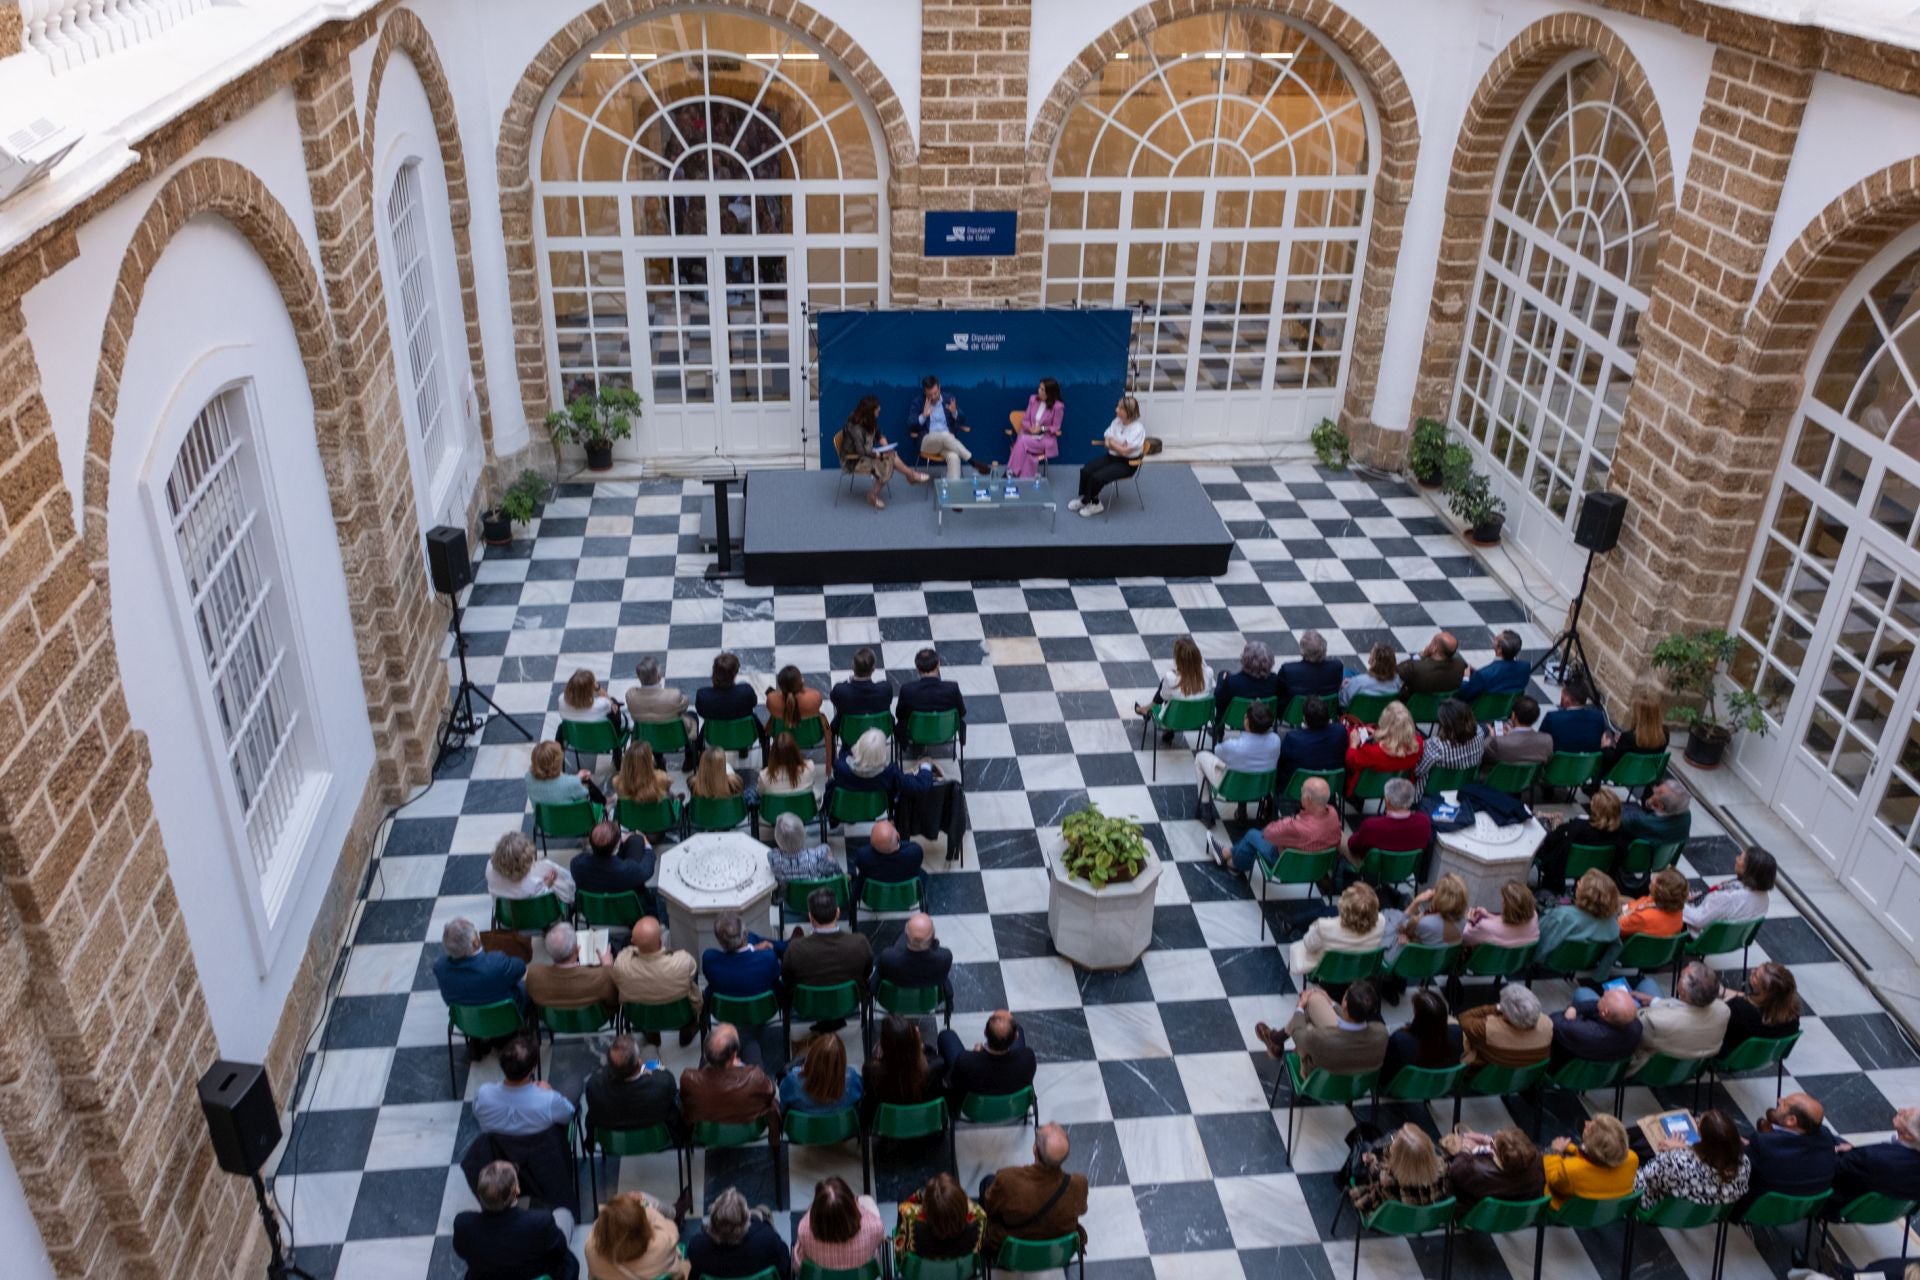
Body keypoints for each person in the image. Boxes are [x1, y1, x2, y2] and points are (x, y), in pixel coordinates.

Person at [454, 1160, 579, 1280]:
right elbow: (560, 1249)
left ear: (481, 1195)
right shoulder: (541, 1221)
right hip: (536, 1275)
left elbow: (461, 1251)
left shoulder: (463, 1224)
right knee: (564, 1214)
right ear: (517, 1190)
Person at [981, 1125, 1088, 1251]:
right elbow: (1082, 1209)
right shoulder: (1079, 1184)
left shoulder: (1007, 1179)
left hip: (1011, 1247)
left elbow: (990, 1206)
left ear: (1034, 1150)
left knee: (987, 1181)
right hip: (1057, 1249)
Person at [1210, 774, 1342, 876]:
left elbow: (1268, 833)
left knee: (1252, 835)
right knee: (1258, 835)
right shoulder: (1333, 814)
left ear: (1308, 799)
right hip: (1316, 869)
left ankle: (1234, 863)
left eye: (1302, 791)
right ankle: (1228, 853)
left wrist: (1289, 820)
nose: (1300, 794)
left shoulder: (1295, 826)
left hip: (1286, 865)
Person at [1254, 980, 1388, 1076]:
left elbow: (1298, 1034)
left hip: (1320, 1079)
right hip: (1357, 1083)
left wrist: (1300, 1006)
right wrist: (1332, 1002)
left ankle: (1276, 1040)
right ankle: (1277, 1039)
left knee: (1309, 1024)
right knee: (1315, 1000)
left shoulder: (1319, 1038)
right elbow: (1355, 1021)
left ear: (1345, 1004)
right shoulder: (1382, 1033)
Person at [1617, 960, 1729, 1070]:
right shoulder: (1723, 1010)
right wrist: (1653, 1001)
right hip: (1691, 1066)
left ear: (1683, 991)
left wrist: (1628, 1009)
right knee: (1648, 984)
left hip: (1652, 1067)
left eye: (1680, 976)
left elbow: (1632, 1032)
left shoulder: (1652, 1021)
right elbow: (1680, 1011)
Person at [1634, 1108, 1750, 1207]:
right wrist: (1685, 1148)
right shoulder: (1744, 1164)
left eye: (1698, 1128)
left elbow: (1645, 1178)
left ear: (1704, 1142)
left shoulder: (1674, 1164)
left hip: (1656, 1206)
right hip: (1703, 1214)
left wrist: (1670, 1154)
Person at [784, 887, 875, 1012]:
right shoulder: (859, 942)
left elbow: (787, 978)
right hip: (849, 1001)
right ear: (837, 913)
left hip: (808, 1005)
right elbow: (867, 972)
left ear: (810, 917)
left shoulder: (794, 948)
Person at [681, 1025, 779, 1138]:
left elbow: (686, 1105)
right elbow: (770, 1093)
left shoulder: (689, 1079)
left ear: (707, 1055)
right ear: (734, 1056)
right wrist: (741, 1067)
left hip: (709, 1133)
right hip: (751, 1129)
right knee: (750, 1042)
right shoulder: (755, 1077)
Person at [612, 918, 701, 1042]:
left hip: (640, 1018)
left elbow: (625, 952)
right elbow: (693, 968)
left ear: (633, 943)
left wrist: (637, 946)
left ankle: (650, 1032)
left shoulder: (622, 965)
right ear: (660, 942)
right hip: (682, 1016)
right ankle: (688, 1028)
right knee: (690, 979)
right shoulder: (683, 962)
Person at [475, 1033, 576, 1138]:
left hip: (497, 1152)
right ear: (532, 1069)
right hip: (539, 1151)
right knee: (574, 1083)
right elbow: (568, 1115)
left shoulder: (483, 1094)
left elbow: (477, 1114)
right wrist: (550, 1093)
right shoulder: (549, 1100)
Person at [839, 393, 929, 509]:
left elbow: (879, 435)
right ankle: (908, 477)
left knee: (892, 454)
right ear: (870, 411)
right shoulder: (855, 427)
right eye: (877, 408)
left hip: (865, 453)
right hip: (853, 460)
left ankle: (910, 476)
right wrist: (879, 454)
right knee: (888, 462)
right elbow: (861, 452)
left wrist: (886, 446)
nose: (880, 409)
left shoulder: (869, 420)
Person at [1533, 788, 1627, 897]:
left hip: (1563, 869)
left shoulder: (1577, 828)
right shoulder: (1621, 834)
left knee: (1551, 823)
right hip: (1601, 873)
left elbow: (1550, 842)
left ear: (1595, 809)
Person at [1341, 778, 1433, 889]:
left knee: (1339, 835)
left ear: (1387, 800)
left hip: (1374, 871)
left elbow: (1352, 846)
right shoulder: (1424, 822)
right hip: (1406, 869)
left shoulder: (1372, 826)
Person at [1745, 1093, 1837, 1202]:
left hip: (1760, 1206)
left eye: (1784, 1103)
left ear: (1791, 1120)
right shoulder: (1826, 1136)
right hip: (1804, 1207)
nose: (1779, 1100)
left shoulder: (1764, 1143)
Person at [585, 1034, 681, 1137]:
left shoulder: (594, 1087)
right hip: (657, 1137)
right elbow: (673, 1098)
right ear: (640, 1063)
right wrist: (651, 1071)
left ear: (610, 1067)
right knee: (650, 1051)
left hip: (614, 1141)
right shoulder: (663, 1082)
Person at [1286, 880, 1386, 979]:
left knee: (1302, 940)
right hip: (1358, 970)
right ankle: (1293, 922)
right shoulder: (1381, 921)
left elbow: (1308, 945)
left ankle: (1292, 923)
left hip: (1324, 971)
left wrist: (1314, 927)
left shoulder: (1324, 926)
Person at [434, 916, 528, 1019]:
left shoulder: (440, 968)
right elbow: (521, 967)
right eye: (476, 932)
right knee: (528, 983)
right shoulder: (497, 963)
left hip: (468, 1022)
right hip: (506, 1019)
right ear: (475, 943)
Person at [687, 1188, 790, 1280]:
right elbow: (784, 1261)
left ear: (712, 1221)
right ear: (746, 1220)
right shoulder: (768, 1240)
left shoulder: (696, 1247)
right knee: (762, 1211)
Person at [1069, 393, 1145, 517]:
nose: (1116, 410)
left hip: (1127, 464)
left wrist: (1112, 444)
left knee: (1097, 477)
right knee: (1086, 470)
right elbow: (1107, 436)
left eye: (1120, 408)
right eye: (1117, 407)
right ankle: (1089, 499)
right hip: (1112, 457)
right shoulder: (1117, 421)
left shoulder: (1138, 429)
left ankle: (1093, 504)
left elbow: (1125, 452)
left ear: (1129, 411)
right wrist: (1117, 445)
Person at [1348, 1123, 1451, 1215]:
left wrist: (1371, 1159)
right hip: (1426, 1217)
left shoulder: (1386, 1179)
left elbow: (1373, 1170)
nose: (1393, 1140)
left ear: (1400, 1157)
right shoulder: (1444, 1168)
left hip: (1391, 1217)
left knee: (1364, 1148)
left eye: (1395, 1140)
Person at [939, 1009, 1036, 1102]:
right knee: (1018, 1027)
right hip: (1014, 1105)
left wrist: (976, 1055)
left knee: (946, 1035)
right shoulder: (1028, 1057)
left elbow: (949, 1083)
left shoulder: (965, 1060)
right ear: (1016, 1037)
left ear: (985, 1032)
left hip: (973, 1109)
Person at [1536, 869, 1621, 974]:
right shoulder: (1613, 926)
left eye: (1581, 882)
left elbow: (1539, 945)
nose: (1577, 884)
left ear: (1587, 894)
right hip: (1586, 966)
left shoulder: (1562, 917)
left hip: (1549, 964)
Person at [1193, 699, 1281, 802]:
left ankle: (1205, 805)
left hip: (1232, 788)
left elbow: (1217, 752)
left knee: (1200, 756)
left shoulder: (1233, 746)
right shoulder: (1276, 740)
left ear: (1247, 722)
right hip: (1261, 787)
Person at [792, 1176, 886, 1270]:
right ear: (852, 1205)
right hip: (862, 1274)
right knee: (866, 1199)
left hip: (821, 1276)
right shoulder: (875, 1226)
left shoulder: (803, 1229)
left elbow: (797, 1266)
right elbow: (879, 1241)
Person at [1543, 1115, 1638, 1208]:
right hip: (1605, 1211)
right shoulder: (1632, 1159)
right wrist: (1572, 1149)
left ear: (1594, 1149)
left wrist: (1556, 1152)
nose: (1586, 1123)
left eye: (1590, 1129)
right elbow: (1598, 1159)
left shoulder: (1571, 1170)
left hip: (1569, 1212)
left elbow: (1552, 1180)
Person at [588, 1191, 686, 1280]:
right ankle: (676, 1211)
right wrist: (644, 1207)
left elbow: (597, 1227)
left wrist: (615, 1213)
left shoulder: (591, 1251)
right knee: (643, 1196)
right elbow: (669, 1226)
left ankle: (676, 1211)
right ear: (643, 1227)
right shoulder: (662, 1244)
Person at [831, 728, 937, 810]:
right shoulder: (890, 772)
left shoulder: (840, 767)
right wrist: (925, 766)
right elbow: (919, 786)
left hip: (847, 807)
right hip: (878, 809)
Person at [907, 375, 989, 480]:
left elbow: (962, 418)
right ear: (924, 392)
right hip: (928, 442)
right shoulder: (918, 402)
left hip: (947, 442)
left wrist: (954, 412)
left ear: (939, 388)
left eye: (936, 393)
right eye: (930, 395)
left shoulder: (948, 398)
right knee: (945, 435)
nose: (933, 397)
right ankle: (972, 461)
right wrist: (923, 416)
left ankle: (953, 491)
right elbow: (910, 424)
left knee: (954, 457)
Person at [526, 921, 617, 1015]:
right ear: (577, 950)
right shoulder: (603, 977)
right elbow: (614, 1001)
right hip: (594, 1021)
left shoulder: (534, 976)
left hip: (554, 1022)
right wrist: (608, 968)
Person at [1833, 1108, 1920, 1207]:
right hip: (1885, 1206)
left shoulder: (1872, 1156)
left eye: (1904, 1116)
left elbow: (1834, 1169)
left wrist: (1847, 1153)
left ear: (1909, 1136)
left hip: (1843, 1199)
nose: (1900, 1110)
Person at [1382, 872, 1468, 968]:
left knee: (1386, 915)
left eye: (1436, 890)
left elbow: (1399, 927)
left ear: (1441, 898)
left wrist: (1416, 902)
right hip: (1434, 965)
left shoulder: (1424, 923)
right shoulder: (1463, 921)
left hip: (1405, 961)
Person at [895, 1171, 985, 1260]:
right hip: (962, 1272)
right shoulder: (978, 1221)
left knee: (904, 1192)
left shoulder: (911, 1224)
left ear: (925, 1211)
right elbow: (972, 1206)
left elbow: (899, 1254)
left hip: (921, 1273)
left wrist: (921, 1195)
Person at [1382, 988, 1463, 1087]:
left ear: (1418, 1017)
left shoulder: (1400, 1040)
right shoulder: (1457, 1032)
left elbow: (1386, 1073)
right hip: (1440, 1085)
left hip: (1405, 1087)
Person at [1447, 1127, 1547, 1208]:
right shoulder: (1537, 1168)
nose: (1498, 1131)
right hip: (1514, 1218)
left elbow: (1456, 1169)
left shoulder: (1474, 1170)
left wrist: (1466, 1149)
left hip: (1476, 1215)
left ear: (1497, 1152)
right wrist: (1489, 1140)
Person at [626, 654, 698, 767]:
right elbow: (685, 705)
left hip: (647, 737)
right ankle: (690, 757)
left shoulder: (631, 696)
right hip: (675, 736)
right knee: (692, 715)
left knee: (651, 725)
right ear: (658, 676)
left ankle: (659, 761)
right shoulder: (674, 695)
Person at [1459, 982, 1553, 1067]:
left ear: (1506, 1012)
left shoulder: (1487, 1029)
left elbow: (1463, 1018)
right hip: (1526, 1078)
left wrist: (1497, 1007)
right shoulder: (1548, 1024)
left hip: (1489, 1075)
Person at [1684, 845, 1775, 931]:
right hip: (1733, 939)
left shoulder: (1728, 897)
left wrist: (1677, 902)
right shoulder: (1764, 898)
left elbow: (1698, 921)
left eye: (1740, 858)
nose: (1736, 859)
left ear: (1749, 870)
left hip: (1701, 936)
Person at [1718, 961, 1801, 1057]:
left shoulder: (1739, 1009)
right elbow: (1751, 1001)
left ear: (1764, 992)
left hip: (1731, 1054)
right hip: (1765, 1057)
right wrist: (1723, 991)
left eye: (1755, 975)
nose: (1752, 971)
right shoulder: (1793, 1016)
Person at [864, 1012, 947, 1107]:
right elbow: (933, 1054)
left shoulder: (871, 1073)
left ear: (884, 1046)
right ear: (915, 1043)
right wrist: (920, 1046)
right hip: (925, 1119)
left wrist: (875, 1056)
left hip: (890, 1121)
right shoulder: (935, 1067)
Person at [1343, 701, 1423, 799]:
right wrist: (1379, 735)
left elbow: (1350, 763)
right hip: (1399, 789)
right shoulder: (1418, 744)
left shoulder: (1372, 752)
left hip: (1365, 789)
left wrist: (1353, 744)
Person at [1549, 983, 1643, 1066]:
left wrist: (1570, 1011)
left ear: (1604, 1013)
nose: (1602, 995)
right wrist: (1575, 1008)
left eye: (1603, 997)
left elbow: (1553, 1020)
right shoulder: (1636, 1026)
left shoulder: (1582, 1031)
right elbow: (1595, 1005)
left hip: (1570, 1066)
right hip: (1604, 1070)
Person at [1133, 633, 1212, 725]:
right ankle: (1146, 709)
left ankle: (1147, 710)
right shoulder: (1209, 672)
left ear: (1178, 659)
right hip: (1199, 718)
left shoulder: (1171, 677)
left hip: (1173, 719)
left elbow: (1164, 696)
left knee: (1168, 692)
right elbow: (1209, 689)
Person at [702, 912, 783, 999]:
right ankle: (787, 946)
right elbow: (775, 978)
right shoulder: (768, 958)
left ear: (720, 941)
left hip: (723, 1010)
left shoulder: (709, 961)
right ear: (745, 934)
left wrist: (752, 948)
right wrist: (751, 948)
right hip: (761, 1010)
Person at [1275, 695, 1347, 792]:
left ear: (1304, 719)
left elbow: (1280, 763)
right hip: (1330, 788)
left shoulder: (1294, 739)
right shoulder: (1340, 731)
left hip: (1298, 790)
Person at [780, 1031, 862, 1115]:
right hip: (843, 1127)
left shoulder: (792, 1081)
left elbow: (783, 1109)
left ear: (812, 1058)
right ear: (842, 1062)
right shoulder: (852, 1080)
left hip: (803, 1127)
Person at [571, 820, 655, 902]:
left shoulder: (577, 864)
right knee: (637, 840)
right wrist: (647, 846)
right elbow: (647, 870)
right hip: (625, 904)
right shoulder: (629, 871)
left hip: (594, 908)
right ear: (618, 844)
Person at [875, 912, 954, 999]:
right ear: (933, 936)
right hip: (931, 1000)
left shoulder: (888, 957)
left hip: (895, 999)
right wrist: (935, 944)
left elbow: (877, 976)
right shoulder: (945, 957)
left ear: (906, 934)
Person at [895, 647, 966, 743]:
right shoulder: (952, 688)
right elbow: (962, 712)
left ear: (917, 667)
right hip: (945, 732)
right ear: (938, 665)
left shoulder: (907, 690)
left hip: (915, 733)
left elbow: (899, 715)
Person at [489, 830, 577, 906]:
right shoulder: (534, 885)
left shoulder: (489, 869)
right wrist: (547, 884)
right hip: (536, 917)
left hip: (505, 916)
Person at [1599, 688, 1671, 779]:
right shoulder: (1664, 734)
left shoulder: (1629, 738)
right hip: (1645, 776)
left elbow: (1613, 761)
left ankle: (1593, 787)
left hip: (1622, 775)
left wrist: (1606, 747)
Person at [1414, 698, 1484, 787]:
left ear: (1447, 725)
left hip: (1433, 792)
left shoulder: (1437, 746)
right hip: (1464, 788)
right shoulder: (1479, 732)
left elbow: (1418, 771)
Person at [1007, 377, 1065, 480]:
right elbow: (1025, 420)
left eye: (1042, 389)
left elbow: (1056, 427)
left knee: (1022, 440)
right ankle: (1024, 478)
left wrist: (1041, 429)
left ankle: (1012, 471)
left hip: (1045, 439)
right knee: (1025, 444)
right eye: (1039, 388)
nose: (1039, 391)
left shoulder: (1058, 406)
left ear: (1050, 392)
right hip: (1030, 435)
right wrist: (1031, 429)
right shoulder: (1033, 399)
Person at [853, 819, 927, 898]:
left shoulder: (863, 856)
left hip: (875, 898)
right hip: (907, 897)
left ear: (871, 844)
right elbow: (906, 845)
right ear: (898, 836)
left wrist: (881, 844)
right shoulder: (915, 852)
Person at [526, 738, 604, 813]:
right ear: (558, 764)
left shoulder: (528, 778)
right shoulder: (572, 783)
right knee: (587, 783)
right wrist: (576, 780)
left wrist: (576, 778)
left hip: (545, 822)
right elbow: (584, 794)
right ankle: (604, 803)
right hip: (573, 821)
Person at [611, 748, 675, 837]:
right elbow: (667, 787)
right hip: (659, 824)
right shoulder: (661, 777)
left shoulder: (617, 781)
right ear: (649, 762)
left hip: (632, 824)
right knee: (669, 795)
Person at [766, 811, 839, 886]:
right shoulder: (819, 854)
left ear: (776, 839)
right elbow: (833, 869)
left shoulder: (773, 857)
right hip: (815, 893)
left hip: (790, 895)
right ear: (804, 834)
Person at [696, 653, 758, 740]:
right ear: (734, 673)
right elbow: (754, 703)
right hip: (743, 733)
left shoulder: (703, 696)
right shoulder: (746, 691)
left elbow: (701, 712)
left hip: (714, 736)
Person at [1461, 880, 1540, 948]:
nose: (1501, 903)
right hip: (1516, 963)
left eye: (1504, 902)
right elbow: (1506, 924)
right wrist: (1488, 915)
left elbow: (1465, 939)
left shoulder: (1486, 927)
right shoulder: (1534, 917)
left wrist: (1470, 921)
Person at [1214, 638, 1282, 717]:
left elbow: (1218, 701)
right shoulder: (1274, 680)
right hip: (1263, 720)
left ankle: (1218, 728)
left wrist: (1221, 680)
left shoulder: (1232, 681)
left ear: (1245, 659)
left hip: (1236, 719)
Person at [1458, 630, 1531, 702]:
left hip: (1480, 711)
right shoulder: (1525, 667)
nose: (1494, 638)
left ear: (1499, 650)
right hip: (1509, 708)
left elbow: (1464, 694)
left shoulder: (1483, 674)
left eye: (1496, 639)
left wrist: (1466, 677)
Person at [1541, 675, 1608, 754]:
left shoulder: (1552, 718)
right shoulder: (1598, 717)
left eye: (1563, 695)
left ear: (1567, 699)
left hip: (1556, 764)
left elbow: (1540, 742)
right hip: (1587, 765)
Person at [1617, 868, 1689, 939]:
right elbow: (1635, 903)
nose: (1654, 876)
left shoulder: (1642, 917)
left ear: (1660, 891)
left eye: (1657, 879)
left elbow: (1616, 929)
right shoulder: (1677, 911)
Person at [1484, 695, 1553, 766]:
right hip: (1530, 777)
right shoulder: (1547, 740)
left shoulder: (1498, 742)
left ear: (1513, 715)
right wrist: (1512, 734)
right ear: (1536, 718)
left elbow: (1483, 752)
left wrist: (1491, 737)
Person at [1622, 779, 1694, 848]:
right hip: (1665, 854)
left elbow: (1620, 819)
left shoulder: (1641, 821)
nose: (1654, 789)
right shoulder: (1687, 815)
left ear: (1660, 806)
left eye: (1656, 792)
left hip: (1640, 854)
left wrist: (1649, 803)